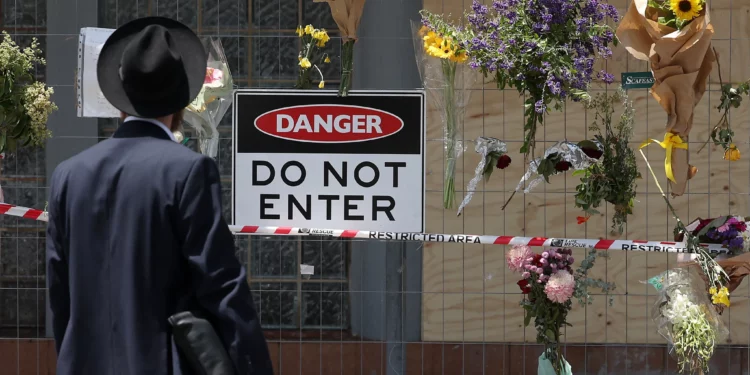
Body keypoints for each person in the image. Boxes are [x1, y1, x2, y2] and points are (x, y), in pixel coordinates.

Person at [46, 17, 273, 375]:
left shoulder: (68, 175)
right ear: (180, 100)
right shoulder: (188, 171)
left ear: (119, 94)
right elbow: (220, 284)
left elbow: (60, 295)